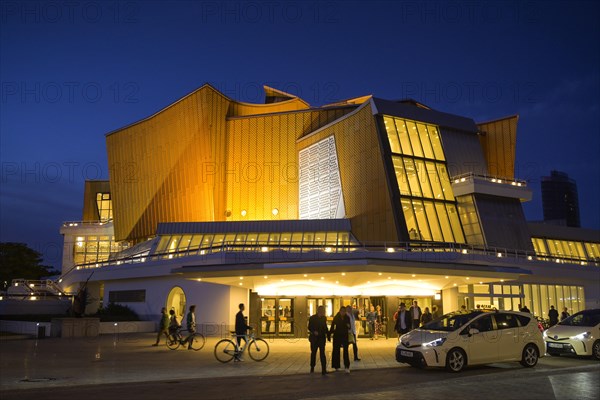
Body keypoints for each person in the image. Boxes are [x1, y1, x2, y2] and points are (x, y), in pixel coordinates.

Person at [329, 306, 351, 373]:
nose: (343, 313)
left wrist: (348, 326)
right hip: (337, 336)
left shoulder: (347, 317)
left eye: (344, 311)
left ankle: (347, 366)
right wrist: (329, 334)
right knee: (336, 350)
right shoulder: (336, 317)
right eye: (342, 311)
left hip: (344, 336)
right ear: (340, 311)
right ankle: (336, 366)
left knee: (346, 351)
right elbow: (332, 326)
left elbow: (349, 326)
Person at [308, 305, 329, 375]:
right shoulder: (312, 318)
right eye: (323, 311)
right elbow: (309, 327)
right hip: (314, 338)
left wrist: (328, 333)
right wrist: (314, 331)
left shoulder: (324, 318)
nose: (323, 312)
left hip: (321, 338)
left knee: (322, 354)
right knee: (313, 353)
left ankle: (324, 369)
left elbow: (325, 327)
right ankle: (312, 366)